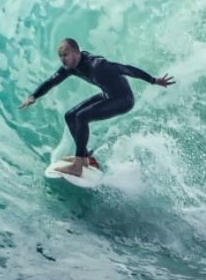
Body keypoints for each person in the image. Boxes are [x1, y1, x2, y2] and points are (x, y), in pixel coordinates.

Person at [19, 38, 174, 177]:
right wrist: (34, 96)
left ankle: (78, 165)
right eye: (60, 56)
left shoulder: (97, 65)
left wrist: (153, 80)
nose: (62, 60)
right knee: (70, 116)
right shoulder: (70, 67)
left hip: (123, 99)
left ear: (76, 53)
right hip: (108, 95)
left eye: (65, 55)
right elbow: (53, 80)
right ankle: (84, 158)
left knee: (81, 116)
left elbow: (126, 69)